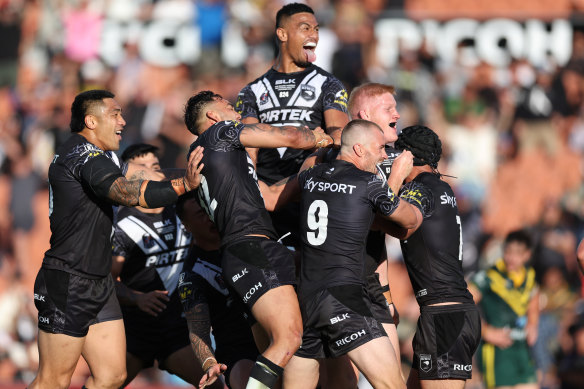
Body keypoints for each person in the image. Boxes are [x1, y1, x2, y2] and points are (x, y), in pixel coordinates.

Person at [30, 90, 203, 389]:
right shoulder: (82, 157)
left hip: (99, 282)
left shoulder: (103, 156)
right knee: (53, 381)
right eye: (115, 114)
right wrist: (185, 184)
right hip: (68, 280)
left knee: (112, 377)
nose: (123, 121)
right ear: (91, 121)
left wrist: (206, 171)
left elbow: (145, 176)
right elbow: (127, 192)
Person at [183, 90, 333, 389]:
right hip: (254, 248)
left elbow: (272, 197)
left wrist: (313, 163)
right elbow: (290, 137)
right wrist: (319, 138)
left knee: (278, 359)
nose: (234, 109)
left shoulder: (216, 159)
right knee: (289, 338)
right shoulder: (221, 133)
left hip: (241, 252)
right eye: (226, 105)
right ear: (213, 116)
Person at [282, 119, 418, 389]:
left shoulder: (310, 177)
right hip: (343, 297)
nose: (383, 155)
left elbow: (292, 181)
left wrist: (319, 148)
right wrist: (399, 176)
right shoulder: (367, 182)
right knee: (393, 385)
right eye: (380, 148)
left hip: (307, 301)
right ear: (358, 148)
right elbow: (407, 220)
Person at [236, 2, 350, 249]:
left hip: (310, 198)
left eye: (316, 29)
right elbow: (248, 149)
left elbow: (340, 137)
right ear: (282, 34)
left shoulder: (329, 84)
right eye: (305, 28)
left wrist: (320, 144)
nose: (314, 35)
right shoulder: (251, 92)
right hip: (266, 201)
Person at [111, 144, 222, 388]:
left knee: (214, 384)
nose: (152, 174)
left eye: (156, 167)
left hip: (177, 330)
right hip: (135, 331)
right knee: (104, 384)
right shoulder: (122, 225)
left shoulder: (184, 209)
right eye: (143, 169)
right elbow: (105, 281)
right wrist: (137, 298)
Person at [379, 125, 482, 389]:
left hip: (444, 317)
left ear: (407, 157)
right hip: (447, 313)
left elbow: (393, 214)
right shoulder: (440, 187)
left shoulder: (420, 189)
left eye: (395, 155)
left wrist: (392, 181)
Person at [176, 191, 260, 389]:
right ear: (186, 226)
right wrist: (209, 363)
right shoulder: (191, 275)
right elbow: (198, 329)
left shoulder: (248, 238)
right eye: (200, 214)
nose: (209, 218)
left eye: (209, 210)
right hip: (239, 351)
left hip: (280, 337)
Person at [469, 230, 539, 389]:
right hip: (497, 353)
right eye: (508, 252)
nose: (511, 258)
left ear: (527, 255)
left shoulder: (529, 277)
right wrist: (485, 331)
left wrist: (533, 323)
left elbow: (534, 297)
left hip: (522, 350)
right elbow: (464, 303)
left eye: (517, 254)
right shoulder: (489, 277)